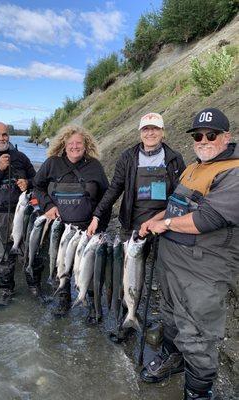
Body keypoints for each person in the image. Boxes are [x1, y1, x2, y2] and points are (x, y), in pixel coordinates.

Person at [139, 108, 239, 400]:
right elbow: (175, 204)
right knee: (170, 316)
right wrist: (155, 219)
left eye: (211, 135)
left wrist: (164, 224)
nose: (203, 140)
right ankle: (174, 358)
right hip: (172, 265)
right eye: (198, 135)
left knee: (197, 334)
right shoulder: (194, 166)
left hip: (202, 273)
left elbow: (207, 220)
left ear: (226, 137)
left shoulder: (233, 172)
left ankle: (198, 391)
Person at [87, 112, 186, 340]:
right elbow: (114, 189)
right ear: (140, 132)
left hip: (164, 225)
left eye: (154, 129)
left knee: (163, 276)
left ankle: (165, 324)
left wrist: (164, 221)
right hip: (132, 227)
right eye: (145, 129)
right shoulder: (128, 157)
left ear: (162, 132)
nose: (150, 133)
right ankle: (126, 318)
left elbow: (180, 195)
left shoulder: (174, 159)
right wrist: (96, 215)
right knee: (127, 275)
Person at [34, 125, 110, 319]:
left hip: (87, 229)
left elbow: (106, 197)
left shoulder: (95, 166)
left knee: (89, 269)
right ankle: (63, 298)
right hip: (60, 228)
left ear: (86, 146)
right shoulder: (52, 163)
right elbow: (37, 186)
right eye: (70, 143)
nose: (75, 147)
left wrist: (100, 224)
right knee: (62, 264)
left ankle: (92, 304)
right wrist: (47, 206)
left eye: (79, 143)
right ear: (63, 145)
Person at [0, 122, 36, 307]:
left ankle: (34, 287)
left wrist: (28, 183)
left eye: (4, 134)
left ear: (9, 136)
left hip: (23, 213)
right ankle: (6, 290)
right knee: (2, 256)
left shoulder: (21, 157)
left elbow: (36, 180)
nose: (1, 138)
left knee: (31, 252)